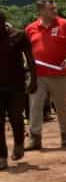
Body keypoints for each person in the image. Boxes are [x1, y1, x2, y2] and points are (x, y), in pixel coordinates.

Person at [26, 0, 66, 150]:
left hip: (60, 74)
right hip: (38, 74)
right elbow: (25, 49)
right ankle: (35, 139)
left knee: (61, 106)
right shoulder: (30, 28)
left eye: (55, 8)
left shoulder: (65, 24)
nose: (55, 11)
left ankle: (65, 137)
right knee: (35, 106)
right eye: (51, 9)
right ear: (41, 11)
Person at [0, 11, 37, 170]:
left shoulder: (19, 36)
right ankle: (1, 157)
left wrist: (34, 80)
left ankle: (19, 143)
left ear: (3, 22)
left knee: (16, 117)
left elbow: (30, 59)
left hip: (16, 85)